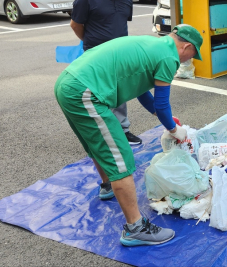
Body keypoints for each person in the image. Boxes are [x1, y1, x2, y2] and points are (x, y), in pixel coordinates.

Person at [54, 24, 203, 246]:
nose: (190, 60)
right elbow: (163, 104)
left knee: (99, 142)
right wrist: (174, 129)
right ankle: (135, 228)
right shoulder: (169, 57)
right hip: (85, 91)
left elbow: (141, 90)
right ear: (186, 47)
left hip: (69, 83)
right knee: (120, 156)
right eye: (193, 55)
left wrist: (165, 118)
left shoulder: (152, 44)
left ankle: (107, 185)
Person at [70, 0, 141, 146]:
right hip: (96, 56)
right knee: (99, 95)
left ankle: (122, 131)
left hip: (120, 56)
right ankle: (102, 135)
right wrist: (91, 43)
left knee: (119, 94)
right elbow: (76, 24)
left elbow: (121, 23)